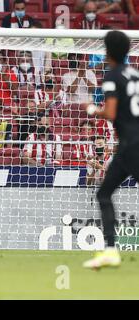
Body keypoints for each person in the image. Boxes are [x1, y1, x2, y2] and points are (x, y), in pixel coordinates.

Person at [83, 31, 139, 269]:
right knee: (104, 192)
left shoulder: (112, 76)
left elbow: (111, 113)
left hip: (131, 146)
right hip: (131, 144)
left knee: (104, 194)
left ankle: (110, 250)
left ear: (107, 51)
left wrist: (92, 109)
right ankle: (109, 249)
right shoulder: (135, 75)